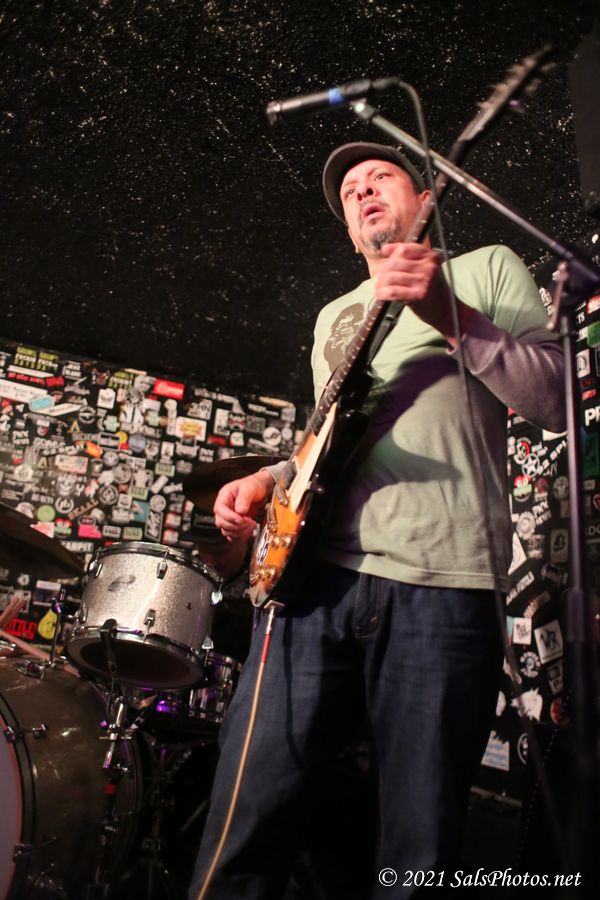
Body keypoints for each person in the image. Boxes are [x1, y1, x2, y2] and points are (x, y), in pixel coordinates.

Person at [188, 142, 565, 898]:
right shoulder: (334, 316)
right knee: (245, 814)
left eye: (379, 177)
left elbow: (554, 395)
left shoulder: (486, 267)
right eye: (349, 191)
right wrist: (268, 478)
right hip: (312, 585)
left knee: (418, 844)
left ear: (423, 199)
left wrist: (448, 315)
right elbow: (323, 443)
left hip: (445, 583)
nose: (361, 192)